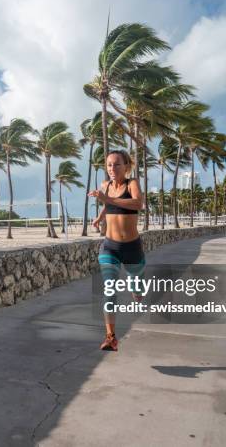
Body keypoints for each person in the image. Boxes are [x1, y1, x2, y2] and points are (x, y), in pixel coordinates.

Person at [88, 150, 144, 351]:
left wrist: (108, 200)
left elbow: (138, 203)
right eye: (109, 165)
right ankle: (110, 336)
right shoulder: (105, 186)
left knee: (137, 289)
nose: (112, 169)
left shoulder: (132, 184)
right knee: (109, 290)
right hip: (109, 246)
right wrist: (100, 217)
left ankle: (135, 288)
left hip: (132, 247)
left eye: (117, 164)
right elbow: (106, 204)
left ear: (126, 166)